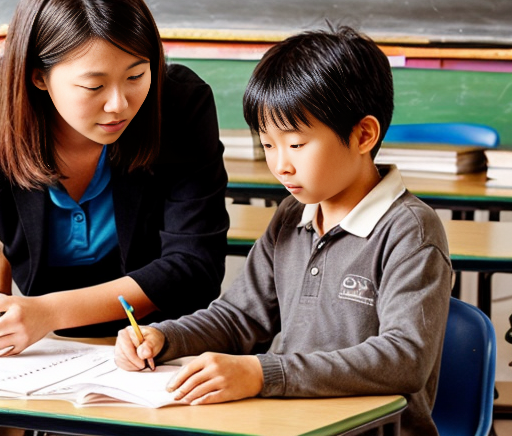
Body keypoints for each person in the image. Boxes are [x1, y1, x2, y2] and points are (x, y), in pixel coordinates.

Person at [115, 26, 453, 436]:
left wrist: (263, 373)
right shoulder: (291, 217)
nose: (281, 165)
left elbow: (404, 358)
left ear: (364, 135)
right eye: (268, 145)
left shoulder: (409, 230)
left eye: (295, 145)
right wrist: (164, 337)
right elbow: (239, 317)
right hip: (289, 425)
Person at [0, 0, 229, 355]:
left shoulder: (179, 105)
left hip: (161, 344)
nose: (119, 104)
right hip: (45, 350)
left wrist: (49, 312)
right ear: (38, 77)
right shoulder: (3, 112)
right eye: (94, 85)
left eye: (137, 76)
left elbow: (194, 267)